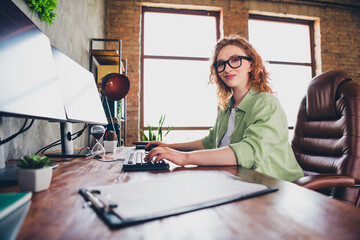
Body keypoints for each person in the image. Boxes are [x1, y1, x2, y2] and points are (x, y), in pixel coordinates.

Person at [144, 35, 304, 182]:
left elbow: (249, 153)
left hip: (275, 186)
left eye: (235, 60)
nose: (227, 69)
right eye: (221, 64)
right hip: (237, 180)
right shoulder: (226, 106)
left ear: (251, 65)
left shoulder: (267, 103)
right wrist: (168, 147)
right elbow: (209, 142)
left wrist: (185, 158)